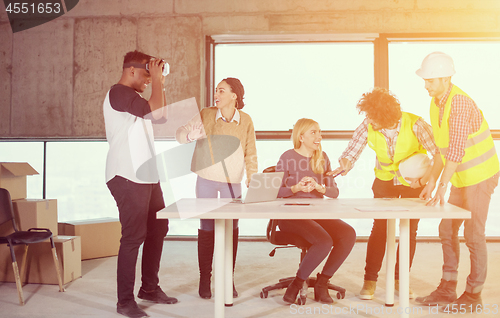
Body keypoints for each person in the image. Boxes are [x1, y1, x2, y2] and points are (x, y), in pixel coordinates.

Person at [329, 87, 440, 301]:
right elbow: (353, 150)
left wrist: (426, 181)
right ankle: (370, 280)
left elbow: (438, 154)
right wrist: (343, 165)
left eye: (372, 115)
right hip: (384, 182)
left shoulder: (416, 124)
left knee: (409, 230)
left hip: (412, 183)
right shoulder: (369, 124)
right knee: (380, 228)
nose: (369, 120)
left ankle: (400, 280)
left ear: (384, 115)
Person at [415, 52, 499, 312]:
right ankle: (448, 288)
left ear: (445, 78)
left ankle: (473, 296)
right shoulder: (436, 102)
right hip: (461, 176)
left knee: (473, 235)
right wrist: (430, 180)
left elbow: (456, 151)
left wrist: (442, 186)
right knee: (447, 230)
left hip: (480, 176)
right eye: (425, 80)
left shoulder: (459, 103)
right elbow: (442, 148)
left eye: (430, 80)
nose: (426, 85)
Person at [103, 50, 177, 318]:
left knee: (158, 227)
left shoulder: (134, 98)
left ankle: (149, 288)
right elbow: (154, 110)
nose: (149, 81)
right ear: (131, 70)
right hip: (126, 175)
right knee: (133, 236)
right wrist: (157, 80)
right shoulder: (119, 93)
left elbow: (160, 116)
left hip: (146, 176)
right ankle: (124, 302)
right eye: (146, 75)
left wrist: (160, 81)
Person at [176, 77, 258, 299]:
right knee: (207, 228)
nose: (216, 95)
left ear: (234, 96)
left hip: (233, 183)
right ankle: (205, 279)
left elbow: (251, 152)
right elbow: (180, 133)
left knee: (231, 229)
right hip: (207, 180)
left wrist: (252, 177)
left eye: (221, 91)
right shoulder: (206, 114)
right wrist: (189, 135)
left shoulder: (246, 121)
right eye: (215, 91)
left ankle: (227, 279)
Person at [276, 118, 356, 305]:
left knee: (348, 234)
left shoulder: (323, 158)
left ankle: (322, 283)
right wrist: (295, 189)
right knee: (324, 240)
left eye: (319, 132)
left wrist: (320, 188)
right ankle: (296, 284)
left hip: (317, 213)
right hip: (291, 215)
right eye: (313, 132)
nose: (319, 136)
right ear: (301, 136)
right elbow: (275, 191)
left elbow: (334, 192)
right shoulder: (287, 157)